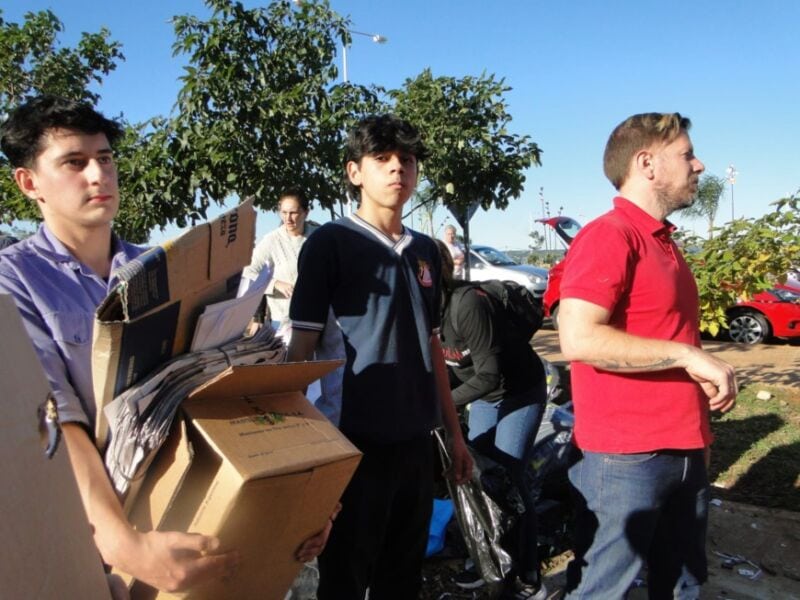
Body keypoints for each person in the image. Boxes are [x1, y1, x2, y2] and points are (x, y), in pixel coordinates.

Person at [0, 95, 331, 594]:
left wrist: (303, 494)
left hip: (196, 503)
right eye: (74, 162)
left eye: (105, 158)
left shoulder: (163, 267)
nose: (99, 174)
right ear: (29, 183)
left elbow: (223, 385)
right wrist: (123, 544)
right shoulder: (14, 281)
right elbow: (55, 419)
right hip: (92, 541)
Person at [287, 114, 473, 599]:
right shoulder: (329, 245)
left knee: (402, 578)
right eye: (382, 158)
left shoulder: (426, 251)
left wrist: (454, 435)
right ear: (354, 172)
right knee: (345, 579)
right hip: (351, 446)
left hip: (415, 444)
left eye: (406, 160)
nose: (397, 169)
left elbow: (432, 347)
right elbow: (299, 354)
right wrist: (297, 458)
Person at [557, 112, 737, 598]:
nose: (699, 165)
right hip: (626, 460)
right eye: (686, 154)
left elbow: (664, 333)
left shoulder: (662, 241)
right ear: (647, 163)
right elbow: (579, 338)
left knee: (682, 582)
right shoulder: (611, 235)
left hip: (684, 449)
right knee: (603, 590)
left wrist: (698, 428)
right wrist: (687, 356)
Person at [436, 240, 548, 600]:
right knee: (479, 477)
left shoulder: (466, 303)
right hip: (484, 396)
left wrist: (441, 405)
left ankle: (528, 572)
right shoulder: (423, 313)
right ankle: (487, 559)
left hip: (518, 391)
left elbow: (489, 374)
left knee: (509, 477)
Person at [242, 189, 318, 338]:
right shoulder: (271, 240)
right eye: (283, 212)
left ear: (306, 213)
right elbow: (248, 273)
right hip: (283, 322)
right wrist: (275, 284)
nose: (287, 218)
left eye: (293, 213)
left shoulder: (319, 236)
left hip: (317, 317)